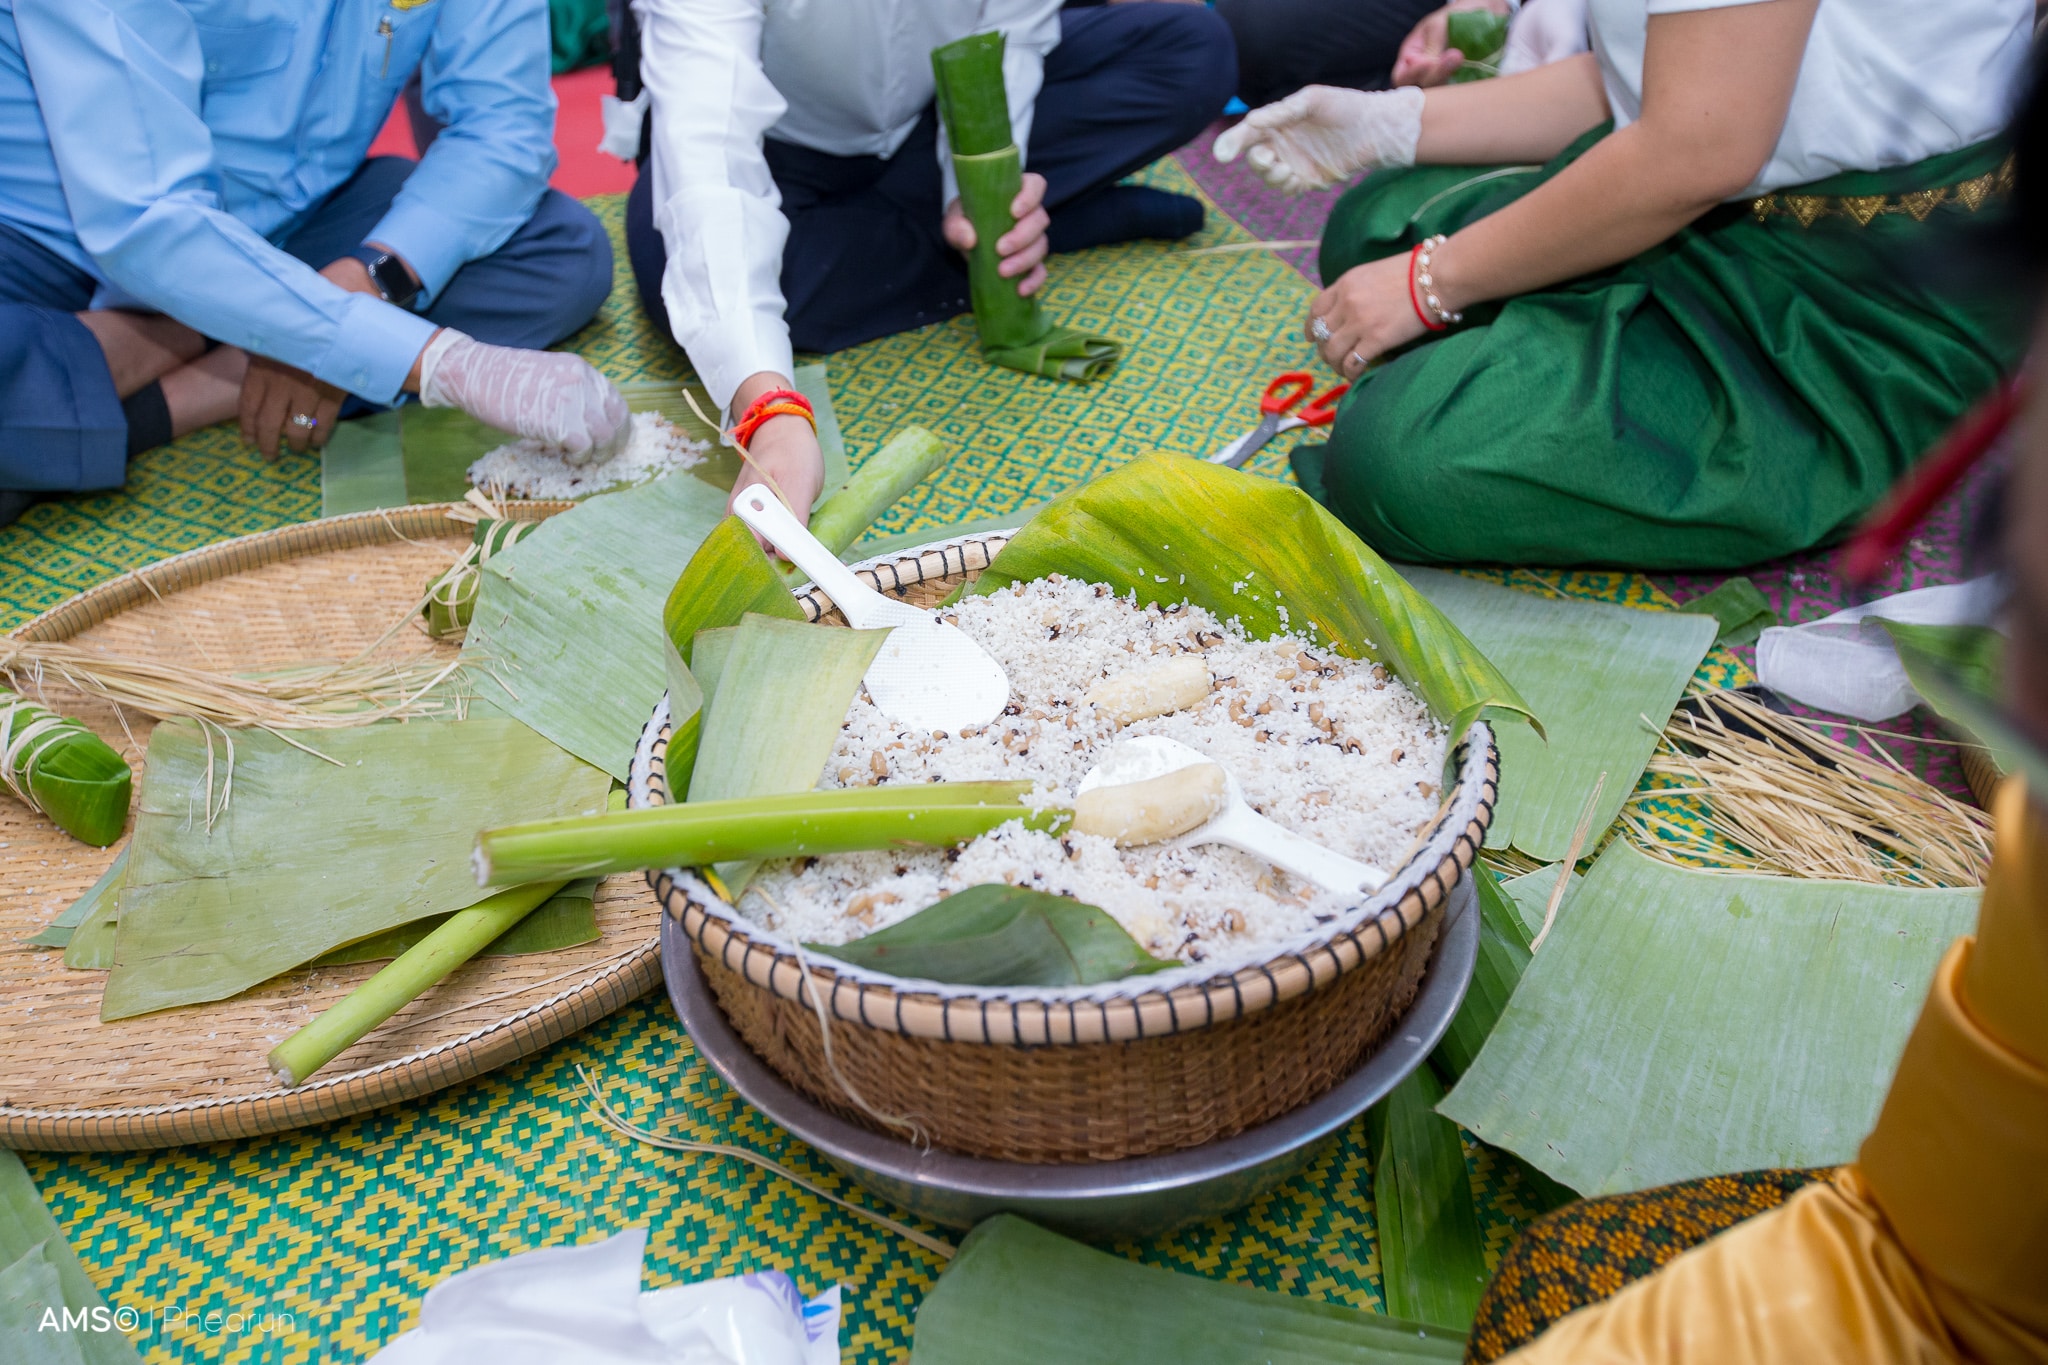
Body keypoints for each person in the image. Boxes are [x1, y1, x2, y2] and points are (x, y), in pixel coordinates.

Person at [1215, 0, 2033, 569]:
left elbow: (1696, 151)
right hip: (1719, 190)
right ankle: (1559, 330)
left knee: (1395, 458)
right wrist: (1387, 125)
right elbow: (1648, 84)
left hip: (1857, 296)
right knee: (1375, 225)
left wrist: (1433, 283)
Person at [0, 0, 629, 528]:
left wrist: (369, 281)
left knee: (557, 248)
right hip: (45, 252)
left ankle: (175, 366)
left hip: (294, 230)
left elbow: (502, 129)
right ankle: (202, 347)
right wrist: (433, 361)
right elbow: (146, 220)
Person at [623, 0, 1237, 525]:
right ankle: (1065, 220)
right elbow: (713, 153)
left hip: (929, 124)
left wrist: (979, 193)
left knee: (1190, 50)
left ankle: (956, 240)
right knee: (675, 270)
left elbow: (1008, 44)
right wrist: (770, 411)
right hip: (782, 151)